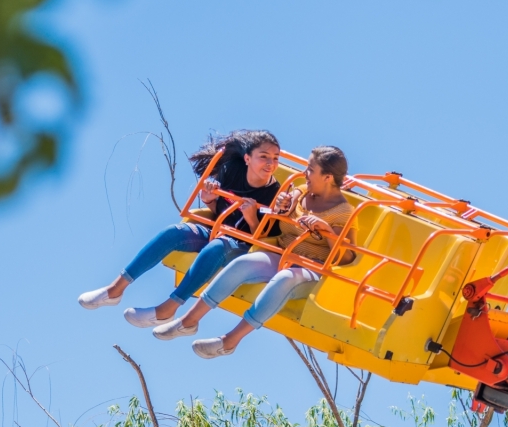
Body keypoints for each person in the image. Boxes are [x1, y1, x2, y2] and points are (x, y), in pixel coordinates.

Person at [152, 146, 355, 358]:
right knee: (243, 264)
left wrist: (327, 231)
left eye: (311, 170)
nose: (305, 173)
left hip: (311, 269)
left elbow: (347, 257)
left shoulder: (343, 211)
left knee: (285, 278)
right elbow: (279, 211)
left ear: (328, 177)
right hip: (282, 254)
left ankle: (229, 341)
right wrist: (281, 205)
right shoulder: (302, 191)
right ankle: (188, 322)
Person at [78, 130, 282, 327]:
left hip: (242, 247)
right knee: (172, 233)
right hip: (216, 230)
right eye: (264, 157)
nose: (270, 164)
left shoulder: (274, 192)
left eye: (275, 158)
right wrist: (209, 200)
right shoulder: (232, 170)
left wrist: (252, 218)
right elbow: (219, 210)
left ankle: (168, 309)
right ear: (247, 158)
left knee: (217, 246)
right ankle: (115, 289)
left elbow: (265, 239)